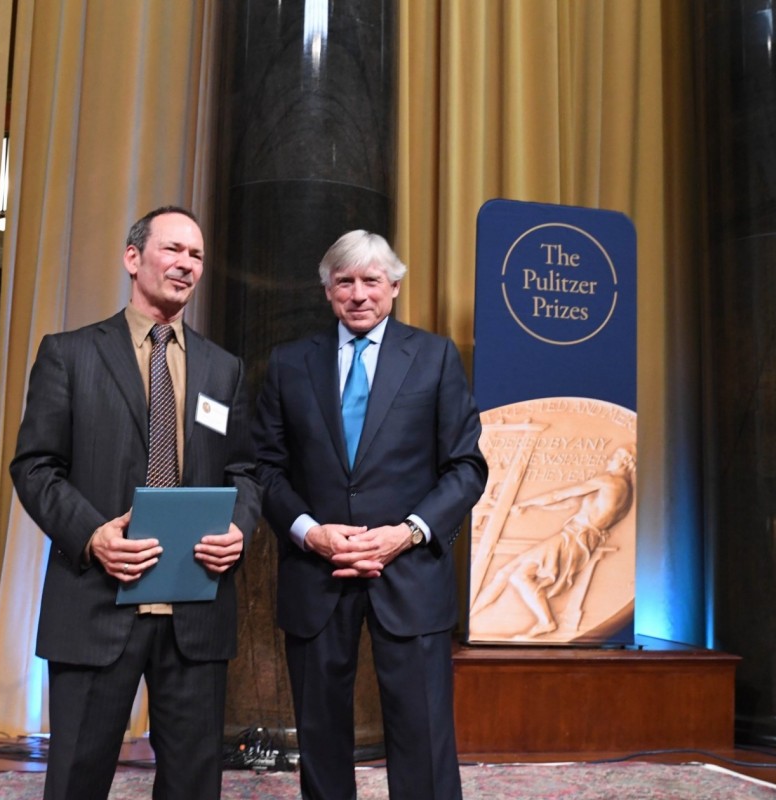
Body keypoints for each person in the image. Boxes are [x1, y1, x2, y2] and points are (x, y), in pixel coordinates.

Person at [10, 206, 261, 800]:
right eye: (173, 249)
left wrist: (240, 529)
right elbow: (35, 466)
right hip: (97, 601)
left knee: (194, 784)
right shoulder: (69, 354)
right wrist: (94, 535)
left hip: (195, 609)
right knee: (77, 777)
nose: (186, 265)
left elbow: (246, 472)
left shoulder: (223, 371)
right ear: (133, 258)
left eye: (196, 255)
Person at [252, 230, 488, 800]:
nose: (359, 294)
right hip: (317, 572)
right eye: (345, 282)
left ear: (395, 288)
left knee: (423, 731)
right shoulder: (288, 364)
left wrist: (406, 534)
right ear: (328, 291)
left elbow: (466, 467)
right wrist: (311, 533)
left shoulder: (434, 357)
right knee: (320, 731)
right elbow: (263, 469)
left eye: (371, 281)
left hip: (408, 572)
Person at [473, 446, 636, 637]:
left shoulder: (609, 480)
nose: (610, 459)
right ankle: (473, 613)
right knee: (506, 572)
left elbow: (559, 495)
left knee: (517, 575)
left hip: (574, 538)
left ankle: (546, 621)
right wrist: (525, 505)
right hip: (583, 538)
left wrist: (523, 504)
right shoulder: (627, 492)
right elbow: (569, 504)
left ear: (625, 462)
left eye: (615, 456)